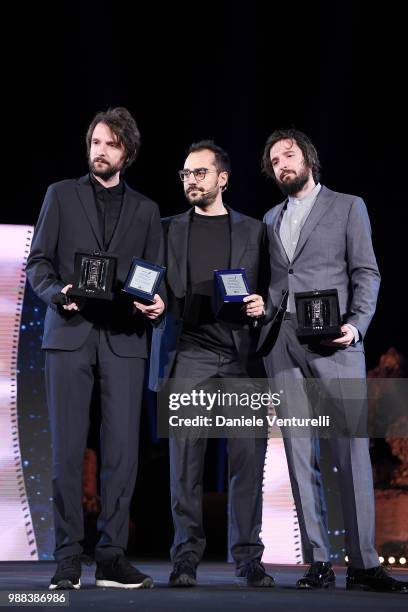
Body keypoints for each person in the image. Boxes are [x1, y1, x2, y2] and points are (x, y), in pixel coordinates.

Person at [258, 128, 407, 593]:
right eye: (274, 160)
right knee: (300, 455)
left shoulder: (348, 206)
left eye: (289, 154)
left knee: (351, 453)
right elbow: (276, 282)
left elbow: (367, 271)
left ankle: (363, 563)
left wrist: (357, 324)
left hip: (336, 343)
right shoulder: (268, 218)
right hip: (283, 345)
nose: (283, 164)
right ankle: (318, 561)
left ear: (308, 159)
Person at [26, 107, 165, 590]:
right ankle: (67, 556)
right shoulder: (60, 196)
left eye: (108, 144)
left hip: (125, 340)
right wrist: (57, 293)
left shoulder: (147, 210)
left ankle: (110, 556)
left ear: (126, 150)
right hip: (69, 334)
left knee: (123, 453)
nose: (99, 151)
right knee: (66, 451)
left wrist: (156, 304)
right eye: (94, 143)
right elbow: (38, 263)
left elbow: (152, 272)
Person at [149, 140, 274, 588]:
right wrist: (153, 304)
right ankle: (185, 556)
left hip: (241, 353)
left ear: (223, 178)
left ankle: (247, 557)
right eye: (185, 174)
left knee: (246, 458)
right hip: (188, 352)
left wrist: (264, 304)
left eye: (199, 172)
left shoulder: (255, 231)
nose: (191, 181)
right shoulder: (166, 229)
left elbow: (273, 287)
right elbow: (151, 284)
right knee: (185, 460)